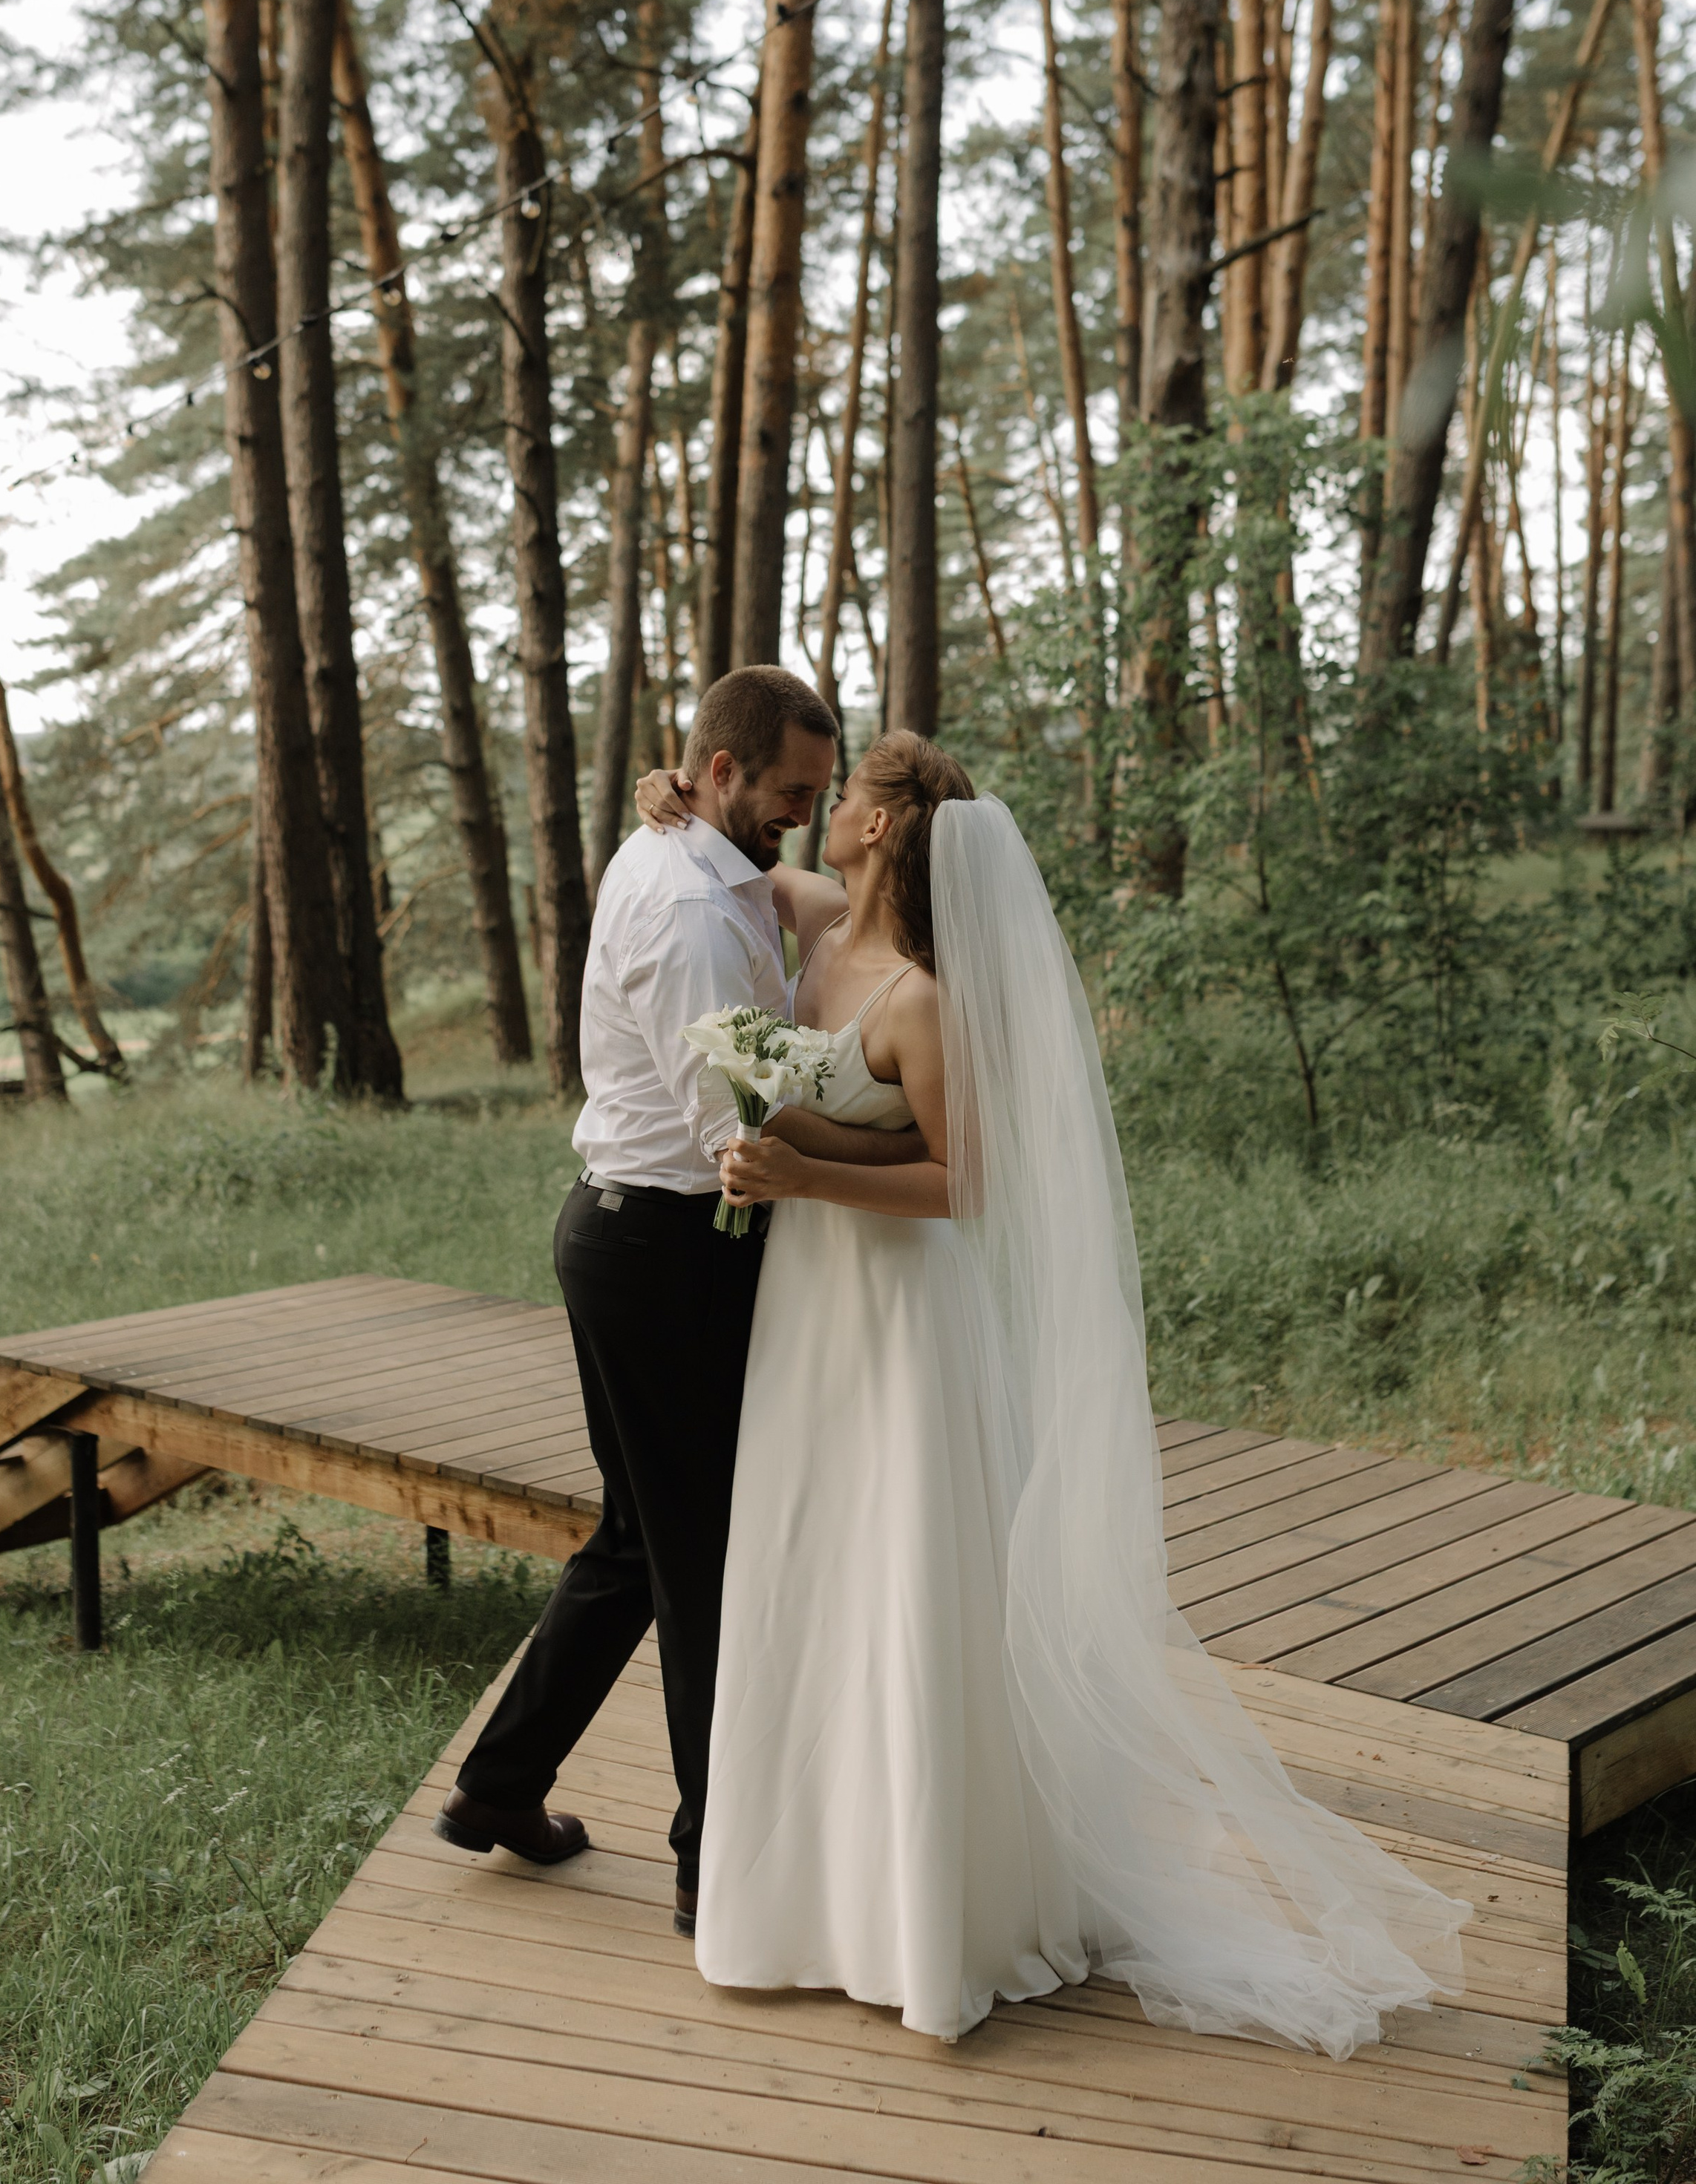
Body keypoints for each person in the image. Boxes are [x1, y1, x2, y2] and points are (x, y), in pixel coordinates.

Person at [634, 734, 1470, 2050]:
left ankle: (927, 1913)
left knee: (907, 1574)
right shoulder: (814, 921)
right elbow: (741, 866)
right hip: (810, 1312)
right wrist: (673, 803)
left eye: (846, 799)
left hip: (900, 1308)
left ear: (888, 834)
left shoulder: (921, 996)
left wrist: (806, 1176)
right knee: (811, 1566)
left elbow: (966, 1183)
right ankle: (805, 1898)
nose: (827, 807)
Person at [437, 665, 924, 1940]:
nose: (802, 817)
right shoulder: (696, 905)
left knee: (635, 1544)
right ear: (720, 775)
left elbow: (790, 894)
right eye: (787, 793)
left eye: (822, 796)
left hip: (624, 1237)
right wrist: (903, 1138)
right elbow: (739, 1131)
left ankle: (497, 1787)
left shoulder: (692, 857)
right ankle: (715, 1867)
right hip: (668, 1249)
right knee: (705, 1562)